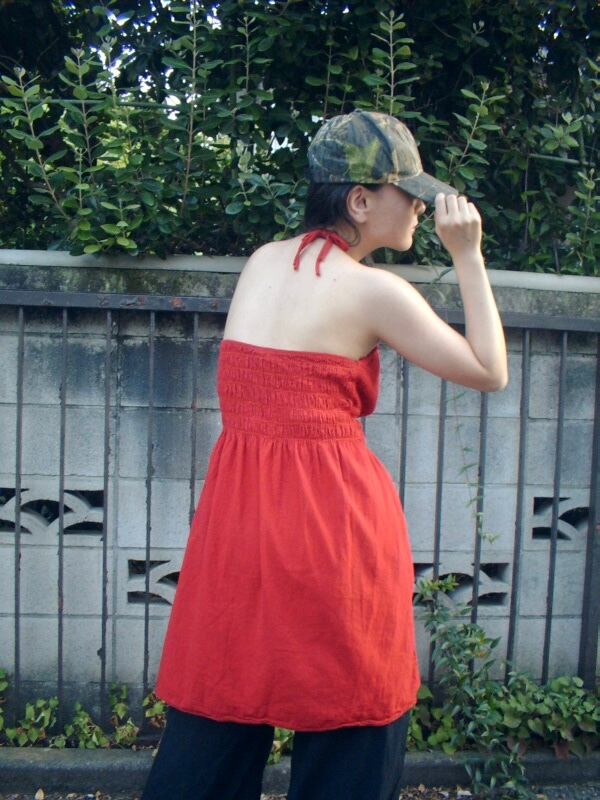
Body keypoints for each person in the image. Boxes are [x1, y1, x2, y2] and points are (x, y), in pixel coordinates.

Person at [141, 109, 508, 800]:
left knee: (218, 707)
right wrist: (468, 255)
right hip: (334, 529)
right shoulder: (374, 291)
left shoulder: (262, 262)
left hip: (238, 526)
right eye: (409, 192)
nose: (421, 207)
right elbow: (490, 370)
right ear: (360, 200)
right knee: (352, 719)